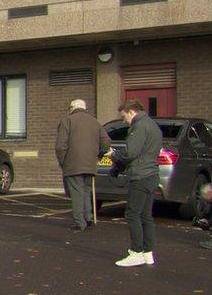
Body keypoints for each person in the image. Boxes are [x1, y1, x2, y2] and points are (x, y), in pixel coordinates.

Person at [107, 100, 162, 267]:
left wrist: (114, 156)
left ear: (131, 112)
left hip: (139, 176)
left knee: (132, 214)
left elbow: (130, 153)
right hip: (151, 175)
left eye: (124, 117)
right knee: (146, 216)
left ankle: (136, 252)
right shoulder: (153, 126)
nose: (124, 121)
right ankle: (147, 253)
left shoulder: (139, 127)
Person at [54, 99, 110, 231]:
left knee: (77, 193)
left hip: (73, 164)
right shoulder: (94, 121)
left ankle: (79, 223)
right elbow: (106, 142)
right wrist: (99, 155)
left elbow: (60, 146)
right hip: (90, 163)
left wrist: (63, 162)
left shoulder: (67, 120)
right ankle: (88, 218)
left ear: (72, 108)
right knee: (86, 191)